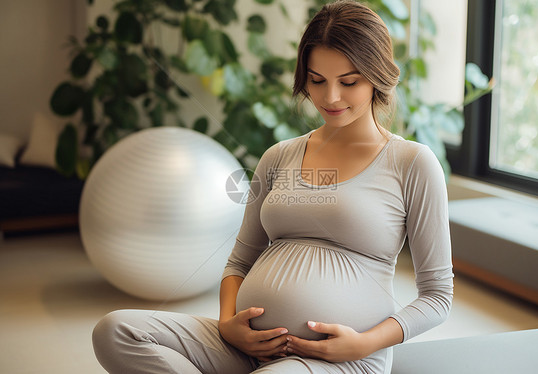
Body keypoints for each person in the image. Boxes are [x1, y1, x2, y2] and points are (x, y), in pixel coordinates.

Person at [91, 1, 454, 373]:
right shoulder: (280, 156)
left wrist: (363, 343)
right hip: (243, 348)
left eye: (349, 82)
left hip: (340, 360)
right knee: (117, 330)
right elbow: (239, 261)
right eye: (316, 80)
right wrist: (229, 325)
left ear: (378, 76)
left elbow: (438, 297)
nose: (330, 98)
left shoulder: (412, 163)